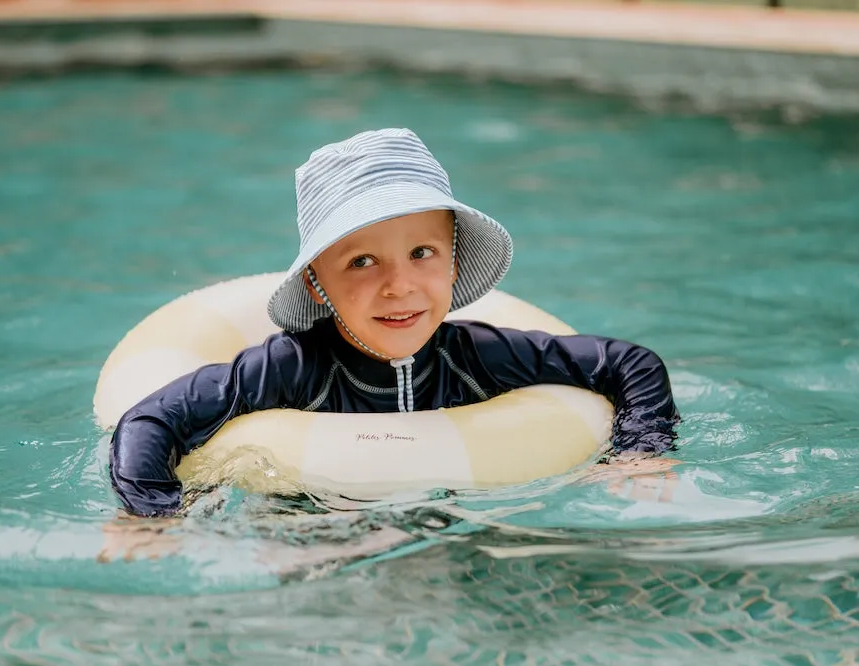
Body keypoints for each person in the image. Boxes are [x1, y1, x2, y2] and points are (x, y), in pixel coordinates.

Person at [109, 128, 680, 517]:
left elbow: (631, 364)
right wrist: (152, 517)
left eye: (422, 253)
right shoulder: (288, 368)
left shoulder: (479, 354)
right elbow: (150, 421)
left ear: (454, 262)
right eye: (362, 261)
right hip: (310, 533)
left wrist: (640, 451)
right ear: (316, 283)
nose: (399, 285)